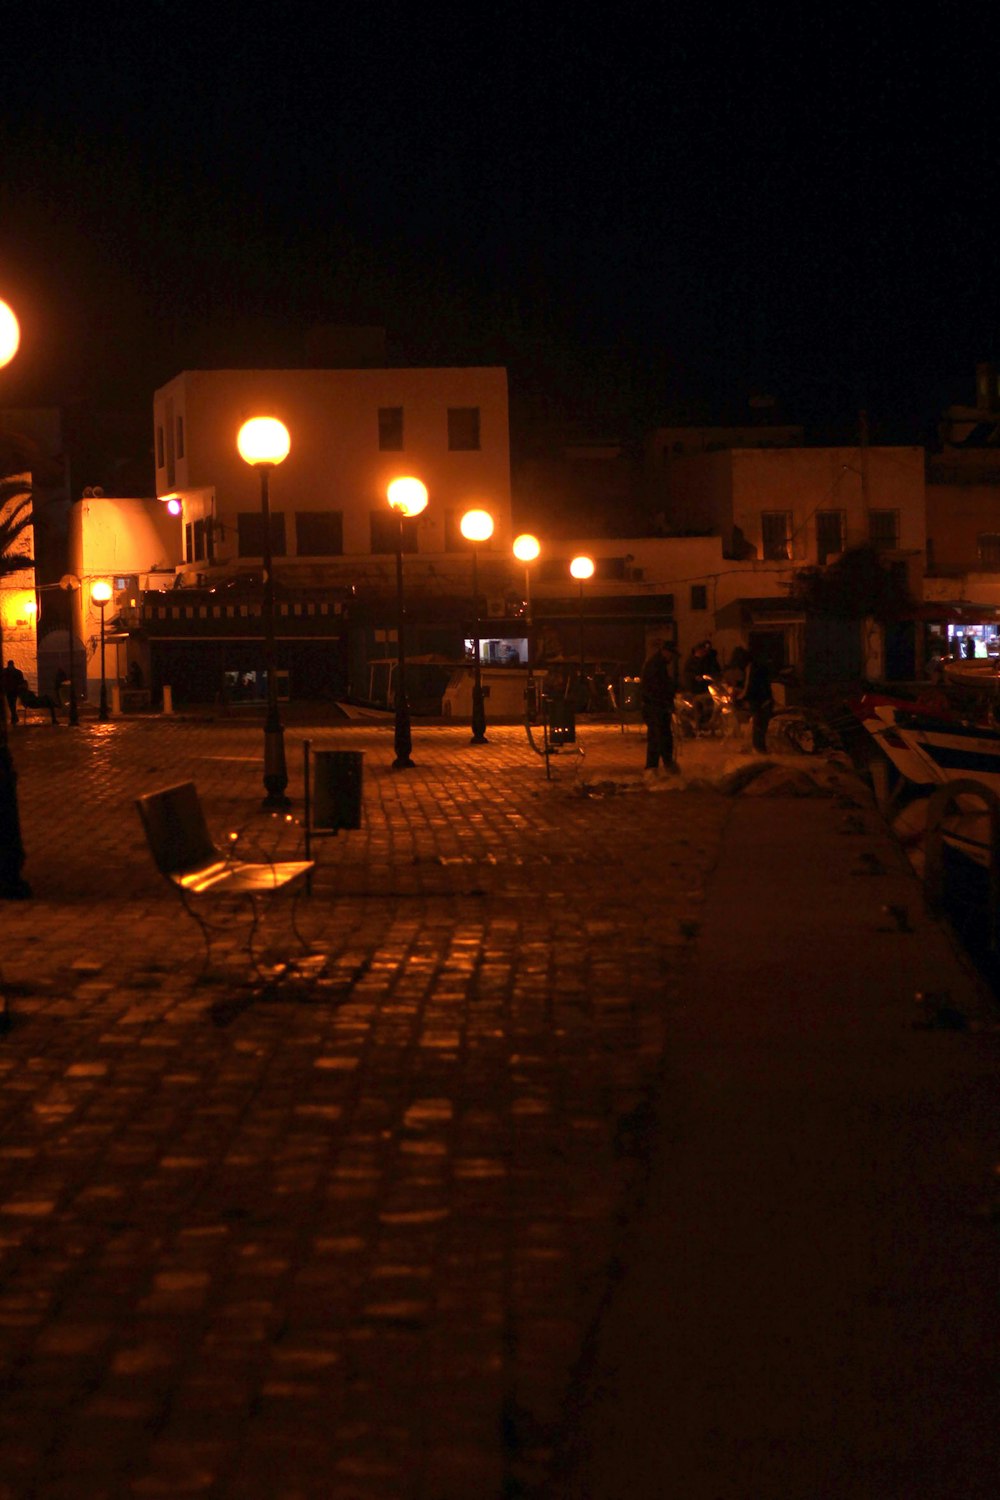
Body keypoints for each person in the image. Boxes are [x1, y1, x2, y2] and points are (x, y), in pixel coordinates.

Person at [640, 640, 678, 780]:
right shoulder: (655, 666)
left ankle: (664, 765)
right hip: (654, 706)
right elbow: (656, 689)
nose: (672, 658)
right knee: (657, 737)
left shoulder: (658, 664)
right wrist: (666, 701)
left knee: (663, 736)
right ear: (665, 651)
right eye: (671, 654)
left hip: (658, 706)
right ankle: (653, 768)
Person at [738, 648, 774, 754]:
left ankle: (759, 750)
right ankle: (760, 749)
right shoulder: (758, 667)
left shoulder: (751, 668)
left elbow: (750, 686)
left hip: (760, 702)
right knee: (760, 726)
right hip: (765, 700)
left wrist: (741, 696)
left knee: (758, 726)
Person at [3, 660, 27, 725]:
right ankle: (14, 718)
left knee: (11, 704)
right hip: (13, 690)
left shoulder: (6, 671)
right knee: (11, 704)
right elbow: (21, 681)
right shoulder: (17, 672)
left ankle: (14, 718)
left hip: (12, 691)